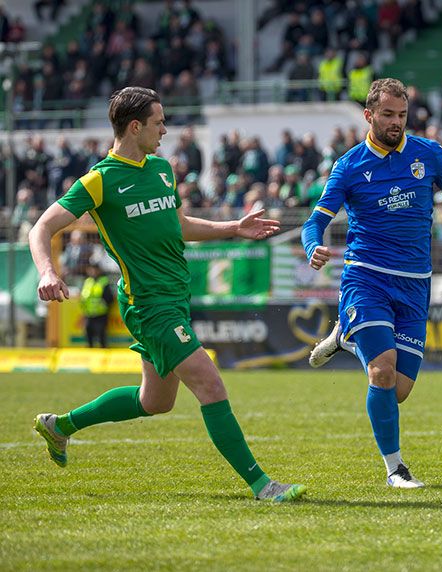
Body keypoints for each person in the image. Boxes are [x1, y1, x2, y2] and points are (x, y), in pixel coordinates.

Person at [29, 87, 306, 503]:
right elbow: (42, 228)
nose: (166, 129)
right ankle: (263, 485)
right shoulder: (100, 179)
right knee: (211, 384)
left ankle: (60, 426)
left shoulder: (160, 168)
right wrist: (48, 270)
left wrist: (233, 227)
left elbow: (178, 225)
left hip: (175, 297)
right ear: (135, 126)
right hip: (148, 304)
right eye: (159, 122)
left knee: (154, 401)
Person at [300, 78, 442, 488]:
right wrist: (313, 246)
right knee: (381, 374)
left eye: (401, 115)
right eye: (387, 115)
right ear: (369, 115)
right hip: (366, 278)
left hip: (416, 284)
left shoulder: (428, 154)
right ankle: (395, 469)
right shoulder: (349, 166)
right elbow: (315, 221)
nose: (396, 122)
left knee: (398, 390)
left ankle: (346, 337)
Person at [80, 263, 114, 348]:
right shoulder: (88, 281)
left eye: (94, 269)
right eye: (90, 269)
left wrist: (105, 306)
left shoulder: (104, 281)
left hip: (101, 315)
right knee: (88, 337)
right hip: (89, 314)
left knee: (101, 338)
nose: (92, 271)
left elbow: (109, 298)